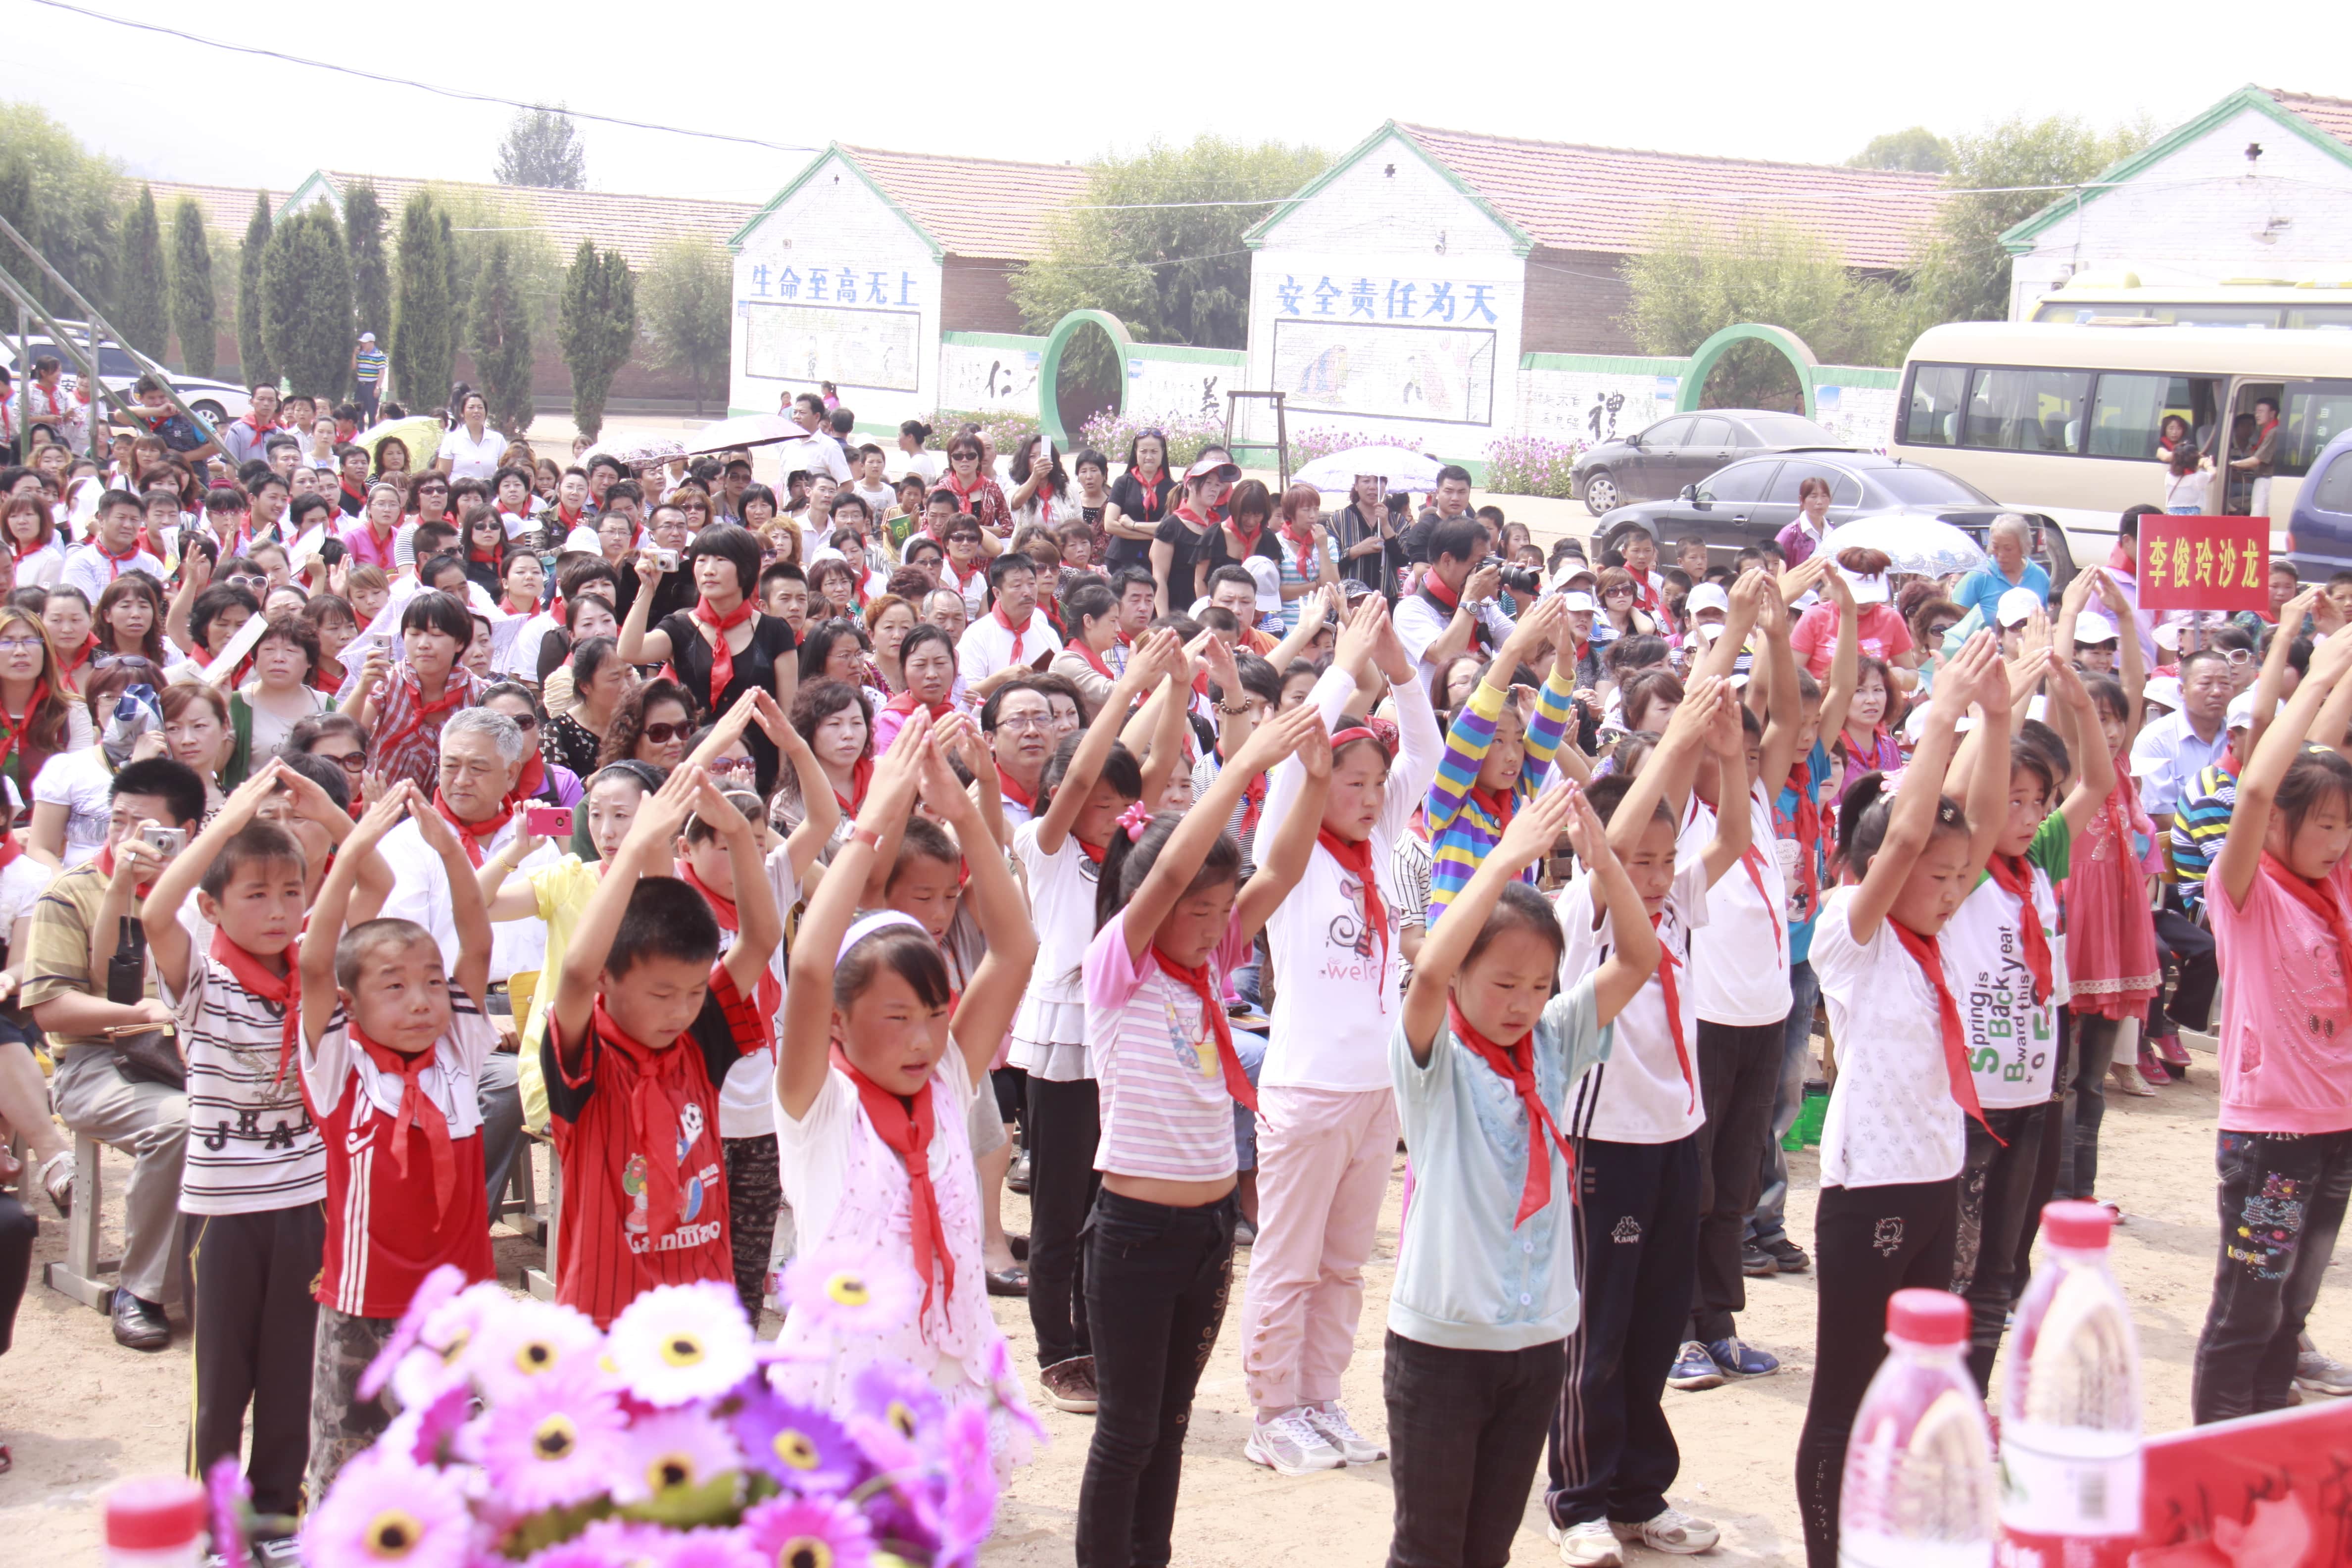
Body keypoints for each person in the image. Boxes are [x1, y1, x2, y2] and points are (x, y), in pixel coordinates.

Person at [1076, 697, 1330, 1566]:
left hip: (1208, 1228)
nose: (1216, 921)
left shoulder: (1210, 964)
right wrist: (1244, 762)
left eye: (1223, 908)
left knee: (1174, 1422)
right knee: (1127, 1429)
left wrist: (1314, 780)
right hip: (1135, 1230)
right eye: (1199, 908)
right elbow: (1171, 867)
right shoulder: (1119, 964)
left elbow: (1287, 866)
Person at [1383, 782, 1652, 1568]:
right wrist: (1504, 860)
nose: (1523, 1004)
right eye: (1504, 984)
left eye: (1539, 987)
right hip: (1443, 1343)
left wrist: (1604, 863)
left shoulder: (1553, 1043)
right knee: (1429, 1549)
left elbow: (1638, 958)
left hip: (1537, 1341)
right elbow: (1428, 974)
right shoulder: (1433, 1058)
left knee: (1489, 1549)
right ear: (1468, 974)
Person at [1793, 633, 2009, 1568]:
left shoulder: (1941, 926)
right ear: (1877, 865)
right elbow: (1912, 832)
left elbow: (1975, 823)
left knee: (1918, 1387)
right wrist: (1945, 714)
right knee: (1848, 1390)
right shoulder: (1853, 931)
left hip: (1935, 1175)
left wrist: (1999, 718)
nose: (1955, 886)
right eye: (1938, 872)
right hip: (1869, 1187)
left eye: (1963, 876)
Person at [1542, 680, 1750, 1566]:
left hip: (1675, 1135)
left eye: (1668, 861)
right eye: (1643, 860)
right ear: (1602, 855)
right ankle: (1579, 1498)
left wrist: (1730, 754)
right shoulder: (1582, 916)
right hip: (1606, 1142)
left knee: (1660, 1321)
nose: (1660, 876)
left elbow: (1734, 840)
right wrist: (1682, 727)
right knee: (1601, 1325)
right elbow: (1618, 843)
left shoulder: (1674, 910)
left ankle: (1640, 1492)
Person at [1238, 598, 1439, 1473]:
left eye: (1372, 785)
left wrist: (1398, 665)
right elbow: (1294, 761)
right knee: (1288, 1260)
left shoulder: (1385, 842)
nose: (1363, 797)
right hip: (1307, 1088)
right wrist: (1343, 662)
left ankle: (1320, 1400)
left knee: (1346, 1265)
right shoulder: (1293, 847)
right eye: (1346, 782)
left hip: (1374, 1090)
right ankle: (1271, 1408)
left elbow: (1426, 751)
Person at [141, 766, 337, 1531]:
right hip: (222, 1210)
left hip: (304, 1201)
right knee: (221, 1382)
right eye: (254, 896)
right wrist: (227, 825)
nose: (279, 911)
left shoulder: (316, 971)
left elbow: (375, 882)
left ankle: (279, 1513)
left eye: (292, 894)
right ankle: (213, 1521)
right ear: (213, 908)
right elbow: (158, 911)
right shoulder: (202, 981)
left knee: (293, 1372)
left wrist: (323, 812)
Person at [294, 780, 496, 1495]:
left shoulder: (458, 1053)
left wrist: (448, 851)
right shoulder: (339, 1067)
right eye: (394, 986)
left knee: (455, 1470)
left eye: (433, 984)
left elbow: (477, 939)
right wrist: (351, 850)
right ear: (351, 1005)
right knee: (348, 1468)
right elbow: (316, 964)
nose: (421, 1000)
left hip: (459, 1304)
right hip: (363, 1303)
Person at [536, 758, 778, 1327]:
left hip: (701, 1316)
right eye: (661, 994)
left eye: (694, 992)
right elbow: (574, 973)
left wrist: (741, 834)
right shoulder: (587, 1053)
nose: (680, 1010)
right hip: (608, 1320)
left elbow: (761, 938)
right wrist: (638, 847)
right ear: (608, 979)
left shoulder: (697, 1044)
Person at [2188, 624, 2352, 1422]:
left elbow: (2325, 771)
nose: (2336, 839)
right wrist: (2316, 674)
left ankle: (2261, 1456)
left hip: (2335, 1127)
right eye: (2321, 826)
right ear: (2282, 828)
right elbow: (2261, 789)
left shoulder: (2333, 881)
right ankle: (2216, 1458)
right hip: (2272, 1136)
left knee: (2290, 1310)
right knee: (2246, 1309)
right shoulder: (2247, 890)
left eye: (2344, 827)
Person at [24, 756, 208, 1348]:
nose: (129, 840)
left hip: (195, 1054)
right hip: (96, 1061)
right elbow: (53, 1010)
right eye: (118, 822)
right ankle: (144, 1289)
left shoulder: (211, 891)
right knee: (180, 1125)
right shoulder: (71, 891)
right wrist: (143, 1013)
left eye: (148, 829)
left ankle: (253, 1282)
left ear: (189, 833)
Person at [1424, 596, 1582, 928]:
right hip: (1460, 944)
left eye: (1517, 740)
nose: (1513, 754)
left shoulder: (1519, 790)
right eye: (1497, 741)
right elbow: (1475, 724)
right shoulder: (1448, 802)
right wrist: (1513, 648)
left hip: (1513, 938)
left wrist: (1565, 655)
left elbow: (1549, 725)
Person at [619, 524, 799, 794]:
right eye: (701, 560)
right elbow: (629, 651)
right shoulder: (681, 627)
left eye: (721, 560)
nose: (708, 569)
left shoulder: (775, 631)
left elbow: (787, 716)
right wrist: (647, 589)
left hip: (760, 772)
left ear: (746, 569)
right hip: (697, 770)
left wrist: (785, 787)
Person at [1393, 517, 1513, 686]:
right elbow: (1445, 657)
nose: (1485, 570)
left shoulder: (1482, 602)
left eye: (1488, 562)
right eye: (1479, 563)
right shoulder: (1410, 609)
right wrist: (1471, 600)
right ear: (1447, 560)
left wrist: (1522, 599)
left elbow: (1527, 652)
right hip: (1435, 711)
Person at [959, 551, 1063, 696]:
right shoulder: (976, 635)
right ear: (997, 593)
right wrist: (1001, 680)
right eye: (1017, 586)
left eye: (1032, 584)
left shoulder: (1048, 634)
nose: (1027, 592)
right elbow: (965, 694)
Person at [1951, 516, 2052, 628]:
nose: (2001, 555)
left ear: (2023, 547)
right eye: (1995, 547)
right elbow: (1955, 620)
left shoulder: (2039, 576)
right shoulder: (1979, 575)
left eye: (2008, 549)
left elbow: (2044, 618)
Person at [1330, 475, 1402, 601]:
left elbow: (1403, 559)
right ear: (1357, 486)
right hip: (1350, 601)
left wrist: (1385, 525)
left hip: (1386, 600)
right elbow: (1331, 566)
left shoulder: (1397, 520)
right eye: (1366, 481)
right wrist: (1357, 550)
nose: (1373, 487)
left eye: (1379, 481)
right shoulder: (1338, 520)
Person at [435, 390, 506, 481]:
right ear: (462, 413)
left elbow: (506, 472)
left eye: (480, 407)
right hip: (459, 492)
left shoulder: (498, 439)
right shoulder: (451, 440)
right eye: (471, 407)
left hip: (487, 493)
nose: (476, 411)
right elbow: (443, 476)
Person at [1774, 476, 1834, 569]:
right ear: (1802, 500)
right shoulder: (1790, 534)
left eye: (1824, 496)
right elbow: (1775, 568)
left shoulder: (1833, 532)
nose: (1820, 502)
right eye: (1813, 497)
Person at [351, 332, 388, 421]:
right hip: (361, 386)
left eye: (365, 343)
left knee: (372, 413)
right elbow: (353, 367)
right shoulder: (361, 354)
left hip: (372, 386)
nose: (362, 345)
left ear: (372, 343)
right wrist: (354, 355)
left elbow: (382, 372)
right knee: (358, 412)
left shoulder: (379, 355)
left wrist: (377, 388)